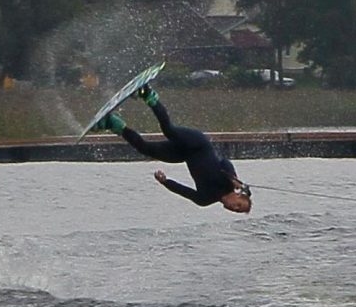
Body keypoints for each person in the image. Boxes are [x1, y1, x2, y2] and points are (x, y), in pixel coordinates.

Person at [93, 84, 252, 213]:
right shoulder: (229, 183)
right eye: (239, 205)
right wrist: (233, 177)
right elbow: (225, 162)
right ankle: (148, 94)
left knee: (145, 149)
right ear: (239, 196)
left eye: (236, 211)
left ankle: (113, 124)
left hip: (184, 154)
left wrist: (166, 182)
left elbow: (183, 191)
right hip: (197, 143)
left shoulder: (205, 200)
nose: (234, 208)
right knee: (169, 130)